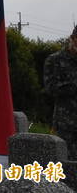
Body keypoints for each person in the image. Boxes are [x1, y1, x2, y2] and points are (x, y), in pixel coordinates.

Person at [43, 25, 77, 159]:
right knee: (67, 167)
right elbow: (51, 88)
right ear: (72, 39)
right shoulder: (54, 60)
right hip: (66, 126)